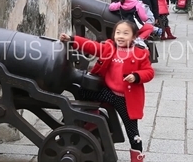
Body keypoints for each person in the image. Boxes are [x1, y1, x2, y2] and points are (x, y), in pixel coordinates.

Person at [59, 20, 154, 162]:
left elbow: (149, 72)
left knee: (132, 131)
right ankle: (92, 117)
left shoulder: (140, 54)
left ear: (134, 37)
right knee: (85, 91)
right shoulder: (110, 48)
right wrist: (72, 40)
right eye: (118, 33)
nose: (121, 36)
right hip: (109, 92)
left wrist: (136, 76)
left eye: (126, 33)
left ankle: (137, 157)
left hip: (126, 99)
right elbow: (93, 46)